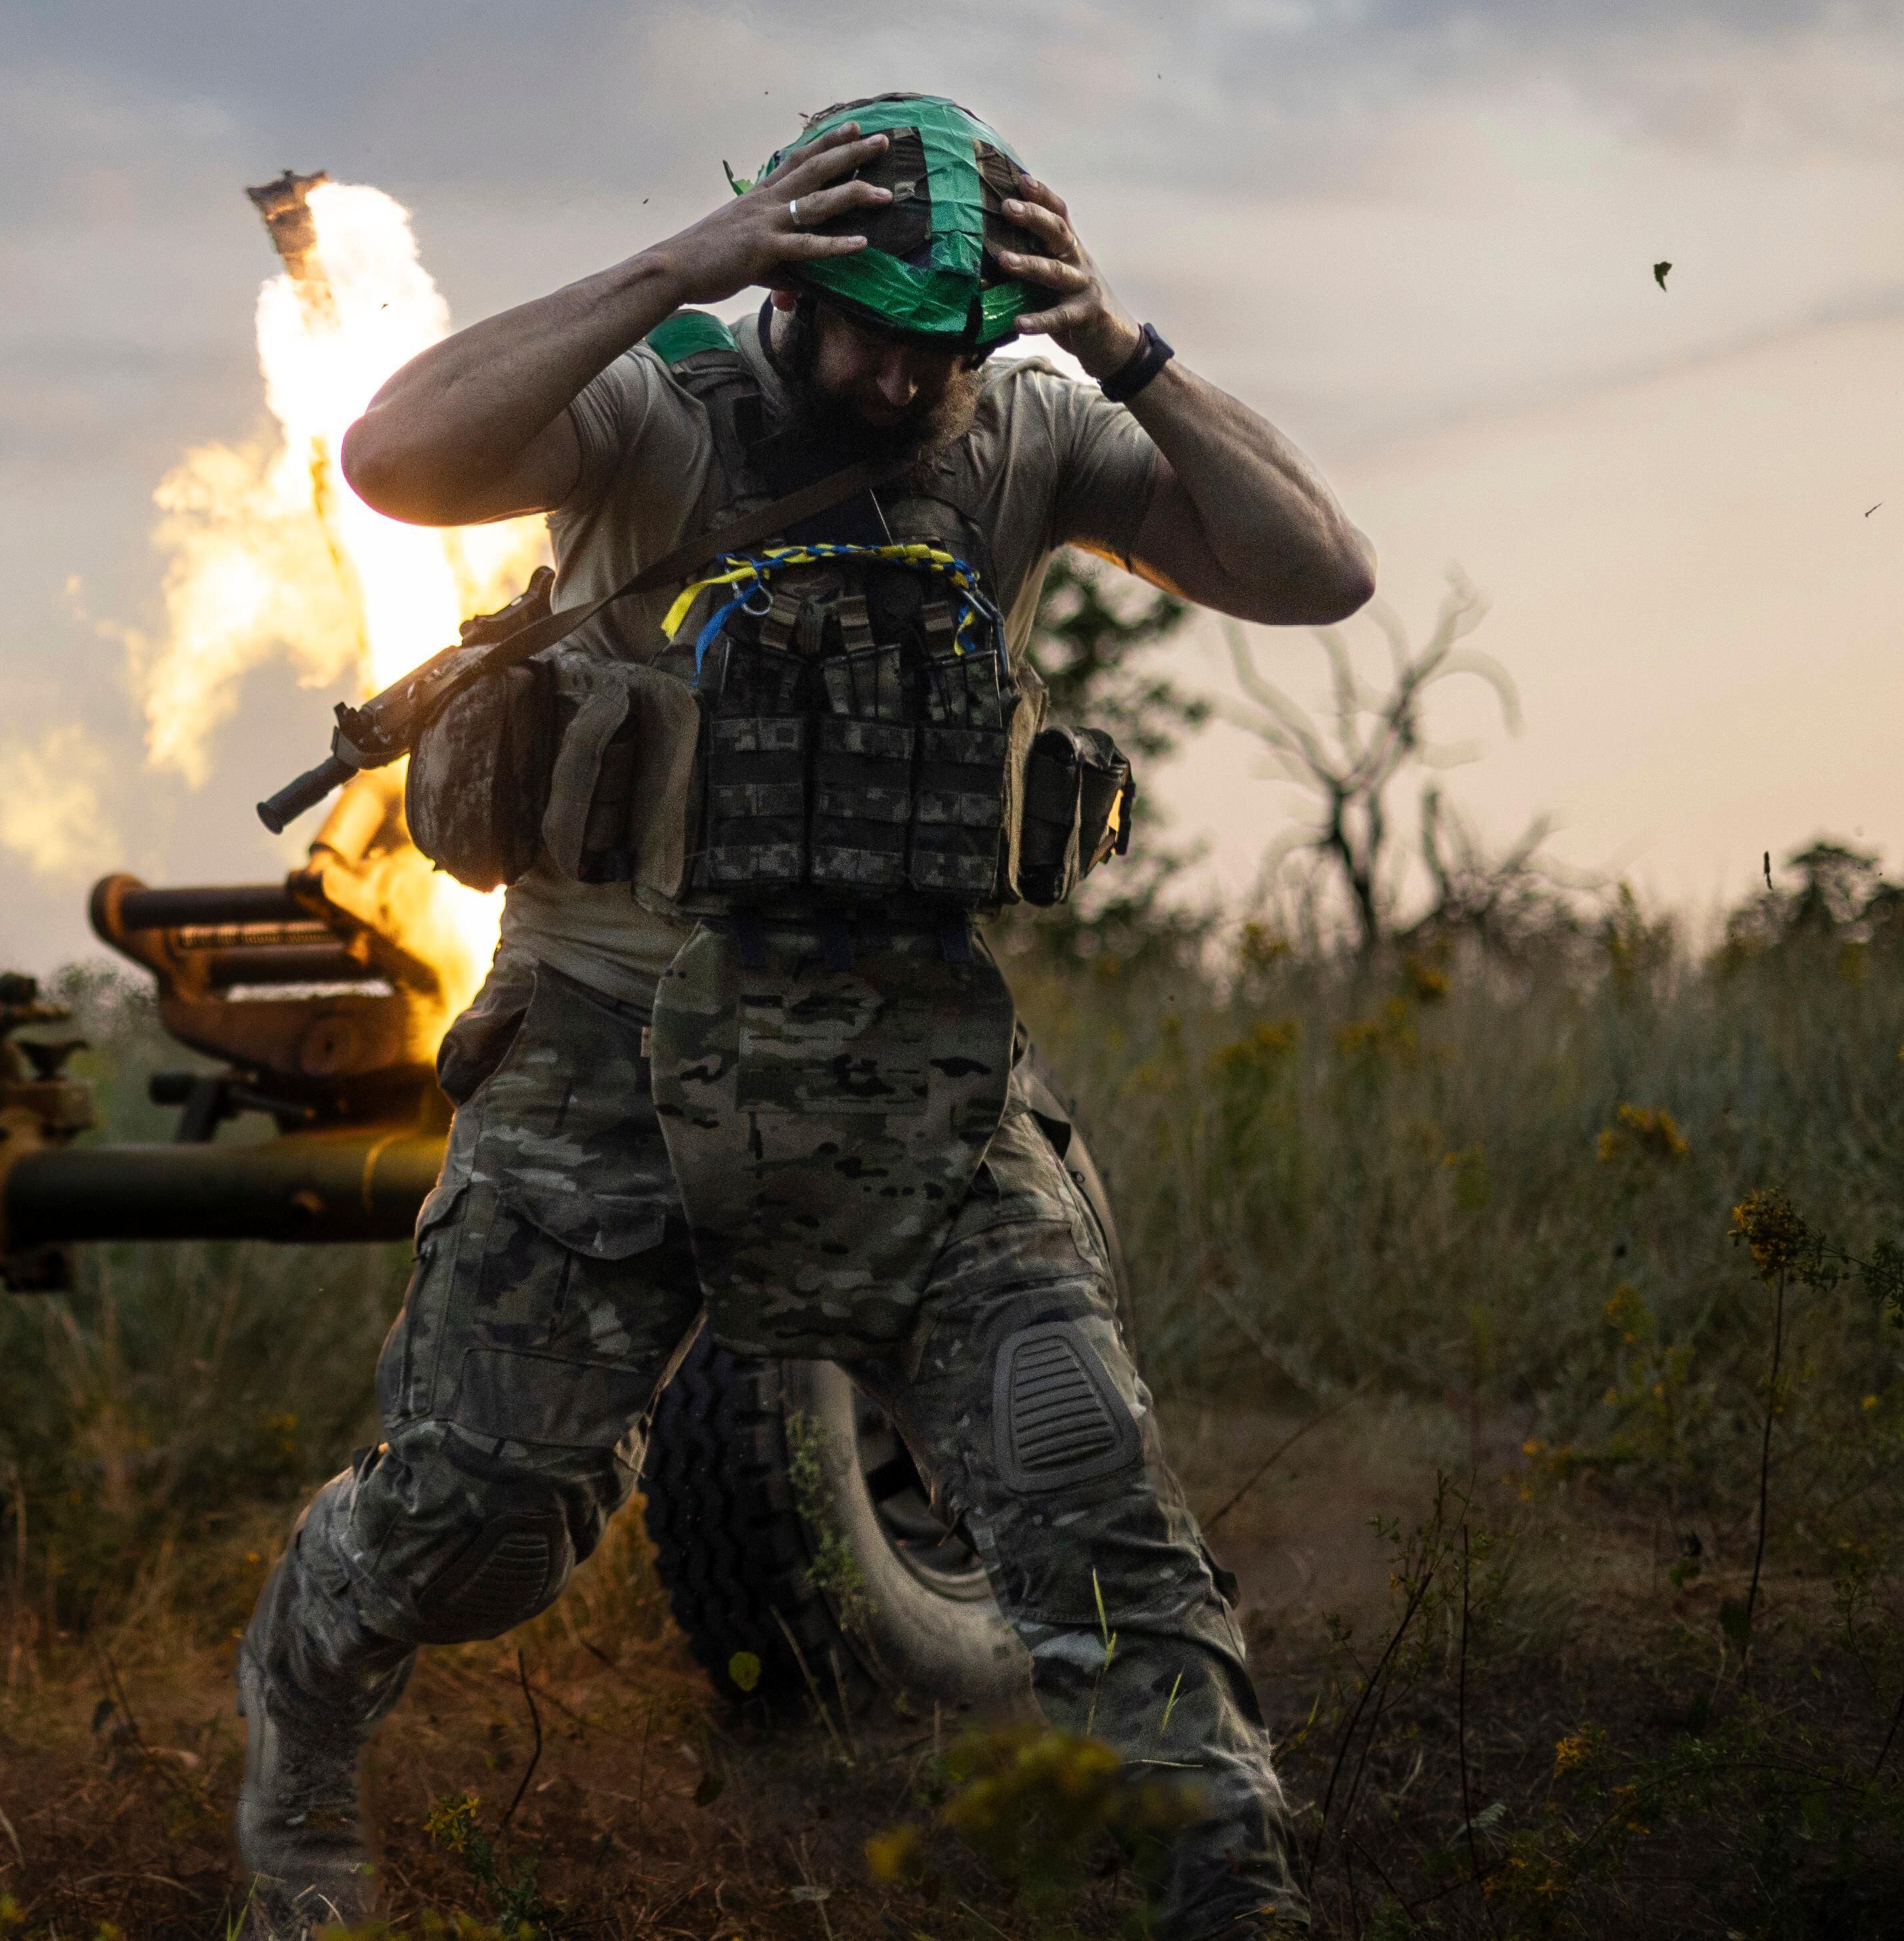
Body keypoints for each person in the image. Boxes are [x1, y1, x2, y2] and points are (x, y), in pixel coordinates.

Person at [233, 93, 1374, 1940]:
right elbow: (395, 460)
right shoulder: (653, 403)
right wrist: (685, 260)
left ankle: (1228, 1882)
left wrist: (1112, 342)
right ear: (789, 278)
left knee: (1085, 1489)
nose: (903, 382)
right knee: (475, 1529)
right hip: (604, 1050)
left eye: (947, 344)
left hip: (909, 1078)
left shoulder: (1025, 424)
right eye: (869, 331)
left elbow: (1318, 571)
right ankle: (299, 1727)